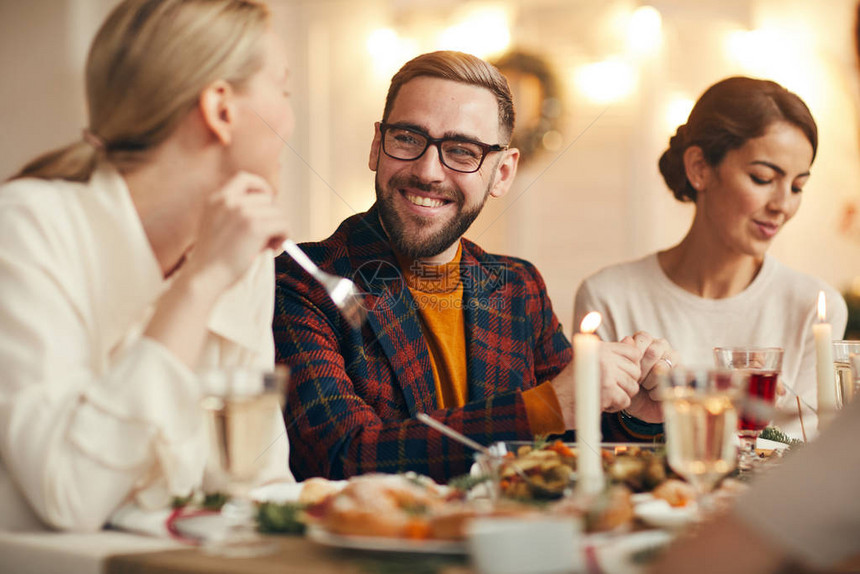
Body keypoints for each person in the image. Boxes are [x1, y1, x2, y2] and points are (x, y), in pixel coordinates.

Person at [274, 50, 675, 483]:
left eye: (462, 151)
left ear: (502, 172)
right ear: (377, 146)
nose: (428, 171)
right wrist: (544, 408)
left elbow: (570, 442)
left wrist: (636, 416)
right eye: (408, 138)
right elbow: (340, 457)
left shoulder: (519, 286)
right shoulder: (302, 280)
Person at [0, 0, 294, 532]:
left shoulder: (246, 255)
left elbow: (258, 486)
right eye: (284, 90)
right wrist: (199, 284)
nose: (290, 122)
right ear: (222, 109)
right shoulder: (27, 226)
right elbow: (71, 495)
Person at [574, 76, 847, 438]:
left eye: (797, 186)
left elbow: (807, 460)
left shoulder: (814, 308)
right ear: (699, 168)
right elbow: (599, 451)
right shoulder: (609, 297)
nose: (784, 205)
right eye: (763, 178)